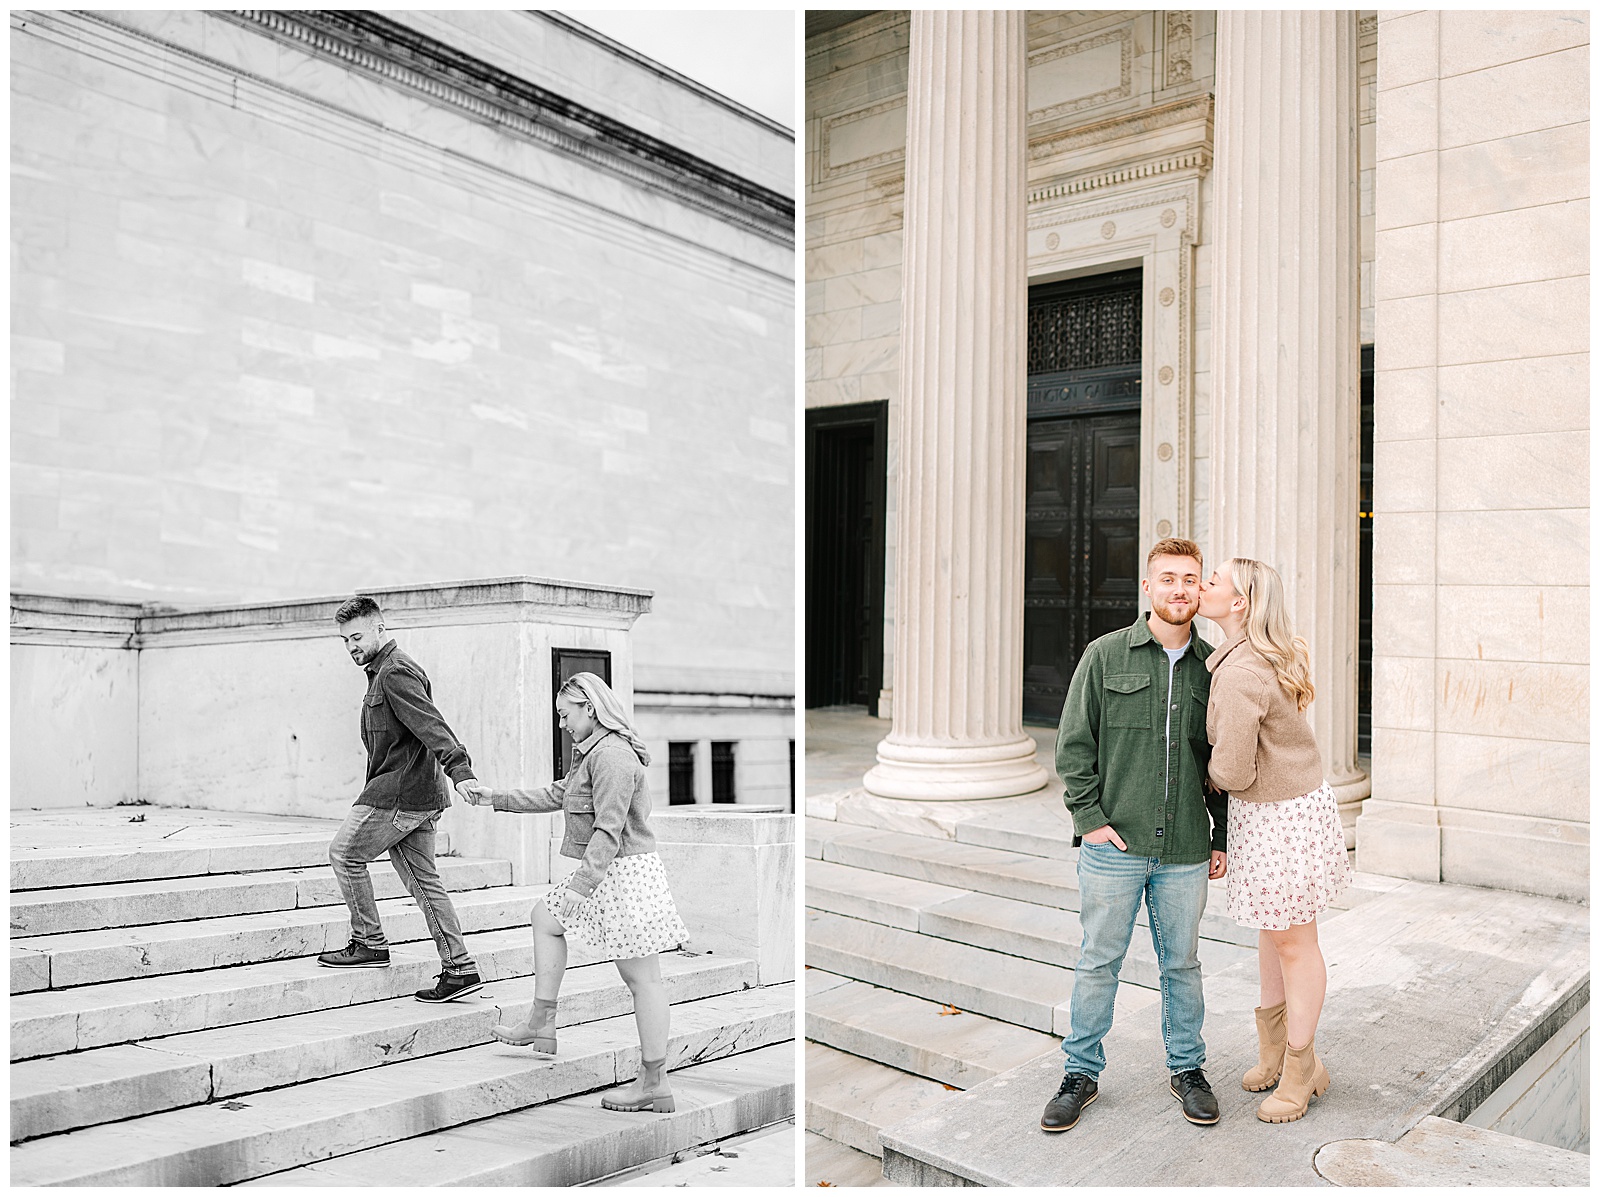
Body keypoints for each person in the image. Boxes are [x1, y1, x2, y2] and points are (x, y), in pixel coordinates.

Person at [1042, 538, 1229, 1134]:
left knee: (1183, 965)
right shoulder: (1105, 656)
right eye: (1167, 578)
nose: (1179, 589)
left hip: (1184, 851)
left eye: (1190, 579)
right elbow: (1074, 745)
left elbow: (1222, 763)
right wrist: (1089, 820)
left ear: (1201, 589)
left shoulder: (1214, 667)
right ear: (1147, 587)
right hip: (1114, 846)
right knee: (1099, 961)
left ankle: (1188, 1069)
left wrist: (1221, 835)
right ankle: (1079, 1074)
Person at [460, 671, 689, 1114]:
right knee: (544, 919)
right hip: (608, 870)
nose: (562, 723)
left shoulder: (614, 757)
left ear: (590, 707)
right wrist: (493, 796)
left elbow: (610, 826)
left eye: (566, 714)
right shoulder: (592, 754)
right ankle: (541, 1022)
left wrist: (584, 885)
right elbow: (557, 794)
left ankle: (653, 1082)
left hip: (622, 873)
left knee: (643, 980)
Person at [1197, 558, 1353, 1123]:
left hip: (1280, 818)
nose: (1203, 586)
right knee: (1274, 934)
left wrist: (1200, 772)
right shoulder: (1246, 658)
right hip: (1276, 813)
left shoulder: (1241, 672)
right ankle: (1273, 1053)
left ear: (1239, 602)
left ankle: (1300, 1067)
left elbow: (1234, 770)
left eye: (1213, 581)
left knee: (1293, 943)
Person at [318, 595, 485, 1004]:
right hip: (414, 794)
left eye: (356, 636)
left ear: (380, 628)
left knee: (345, 853)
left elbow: (432, 724)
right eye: (344, 640)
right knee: (426, 884)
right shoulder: (380, 673)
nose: (351, 646)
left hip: (399, 795)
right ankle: (460, 968)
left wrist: (459, 768)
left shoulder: (395, 672)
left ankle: (368, 942)